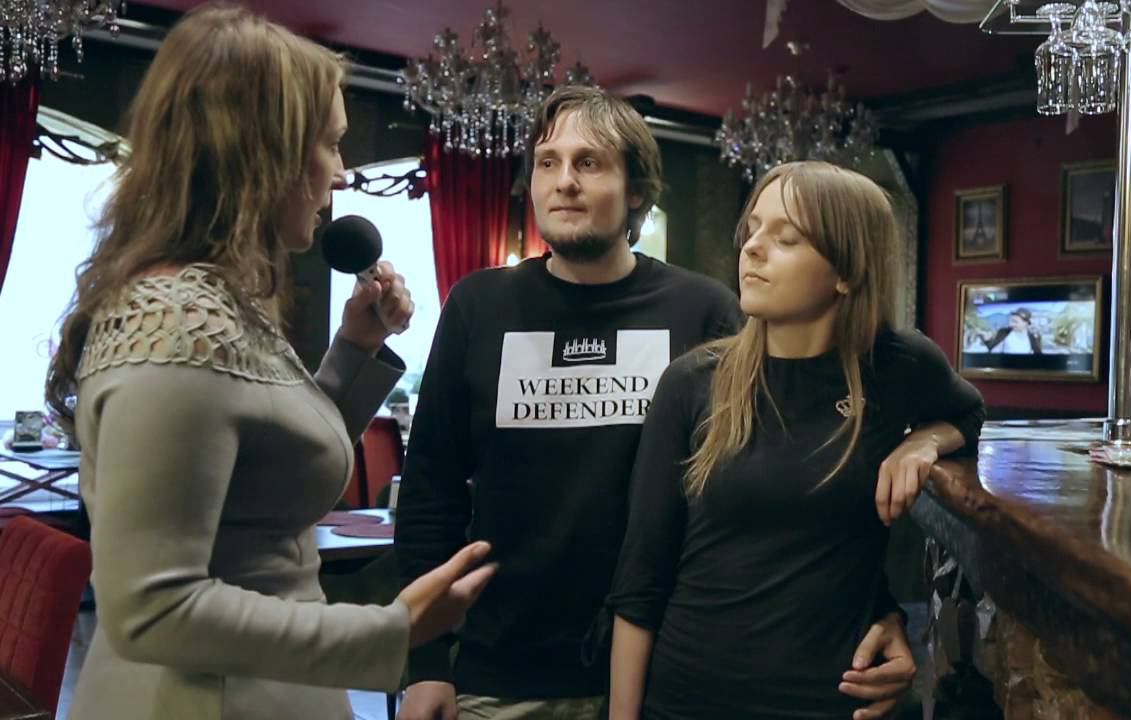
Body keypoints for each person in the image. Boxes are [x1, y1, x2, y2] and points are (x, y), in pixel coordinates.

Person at [394, 87, 919, 720]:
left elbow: (795, 484)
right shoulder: (479, 306)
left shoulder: (702, 310)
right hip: (502, 672)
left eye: (590, 162)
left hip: (669, 671)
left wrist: (880, 608)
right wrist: (426, 663)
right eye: (548, 162)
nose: (564, 181)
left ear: (637, 191)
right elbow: (430, 495)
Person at [43, 6, 495, 719]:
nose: (341, 174)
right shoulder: (175, 325)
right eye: (332, 145)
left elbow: (269, 473)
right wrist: (393, 629)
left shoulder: (220, 301)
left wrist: (355, 349)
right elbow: (151, 610)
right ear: (263, 152)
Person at [607, 161, 986, 720]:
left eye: (786, 238)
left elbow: (970, 413)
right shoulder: (692, 382)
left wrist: (923, 442)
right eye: (753, 229)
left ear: (846, 272)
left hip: (836, 698)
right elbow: (640, 581)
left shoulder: (898, 365)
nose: (753, 248)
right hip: (690, 695)